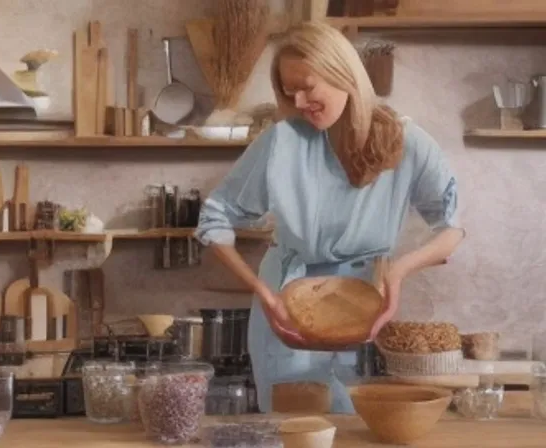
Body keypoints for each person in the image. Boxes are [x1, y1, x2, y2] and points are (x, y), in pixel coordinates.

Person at [195, 22, 465, 414]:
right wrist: (263, 292)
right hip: (286, 307)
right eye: (290, 91)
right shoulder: (282, 141)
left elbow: (451, 229)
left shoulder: (409, 143)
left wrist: (398, 271)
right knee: (294, 430)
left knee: (355, 430)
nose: (299, 101)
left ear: (344, 74)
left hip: (362, 306)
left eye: (307, 86)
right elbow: (214, 219)